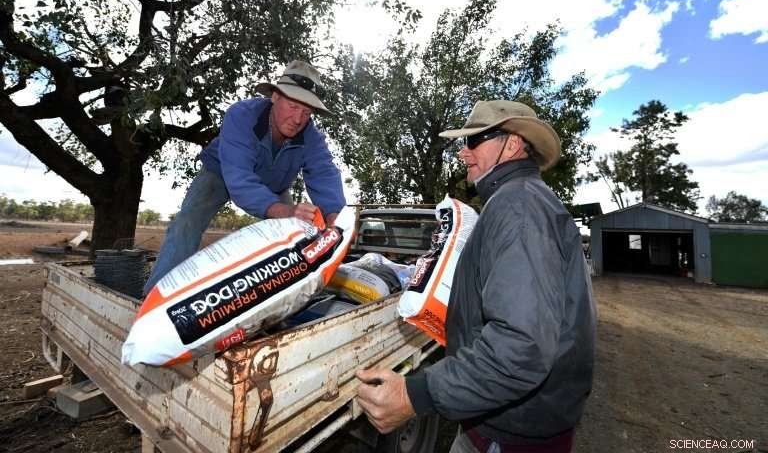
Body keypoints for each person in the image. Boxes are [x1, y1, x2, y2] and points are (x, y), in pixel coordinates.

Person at [356, 100, 596, 453]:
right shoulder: (525, 200)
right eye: (462, 143)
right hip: (515, 419)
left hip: (511, 431)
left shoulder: (518, 207)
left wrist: (417, 394)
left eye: (475, 141)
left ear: (512, 144)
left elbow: (522, 346)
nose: (463, 153)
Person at [143, 60, 346, 295]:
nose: (298, 119)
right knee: (187, 222)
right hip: (221, 173)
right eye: (292, 105)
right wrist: (288, 212)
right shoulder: (241, 115)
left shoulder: (312, 137)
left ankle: (283, 301)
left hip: (275, 188)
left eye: (306, 112)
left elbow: (325, 176)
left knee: (295, 240)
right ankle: (152, 297)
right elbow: (239, 180)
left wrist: (337, 222)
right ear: (275, 97)